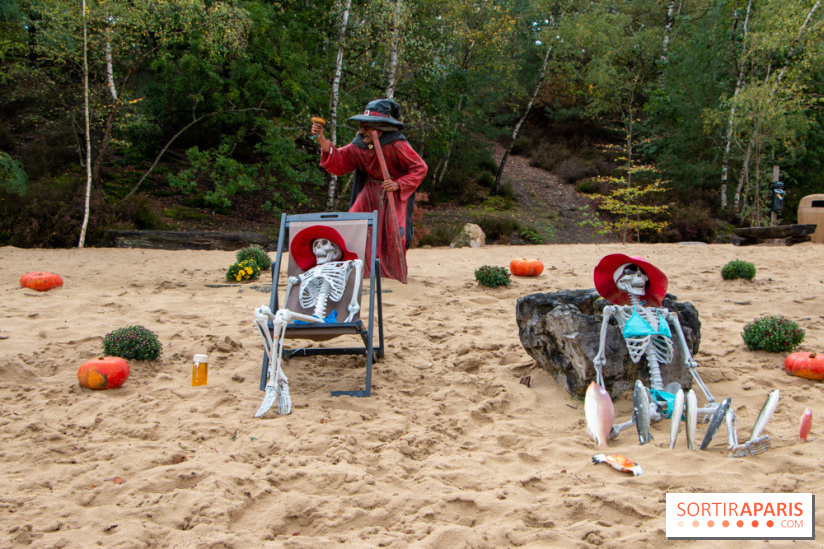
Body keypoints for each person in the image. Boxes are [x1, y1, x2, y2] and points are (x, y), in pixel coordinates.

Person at [311, 99, 427, 252]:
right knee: (354, 221)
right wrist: (321, 138)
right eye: (361, 126)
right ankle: (357, 265)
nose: (361, 131)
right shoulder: (359, 145)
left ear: (379, 129)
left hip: (393, 194)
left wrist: (399, 184)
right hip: (370, 191)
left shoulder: (397, 144)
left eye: (366, 127)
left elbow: (420, 167)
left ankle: (390, 272)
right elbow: (339, 159)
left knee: (394, 233)